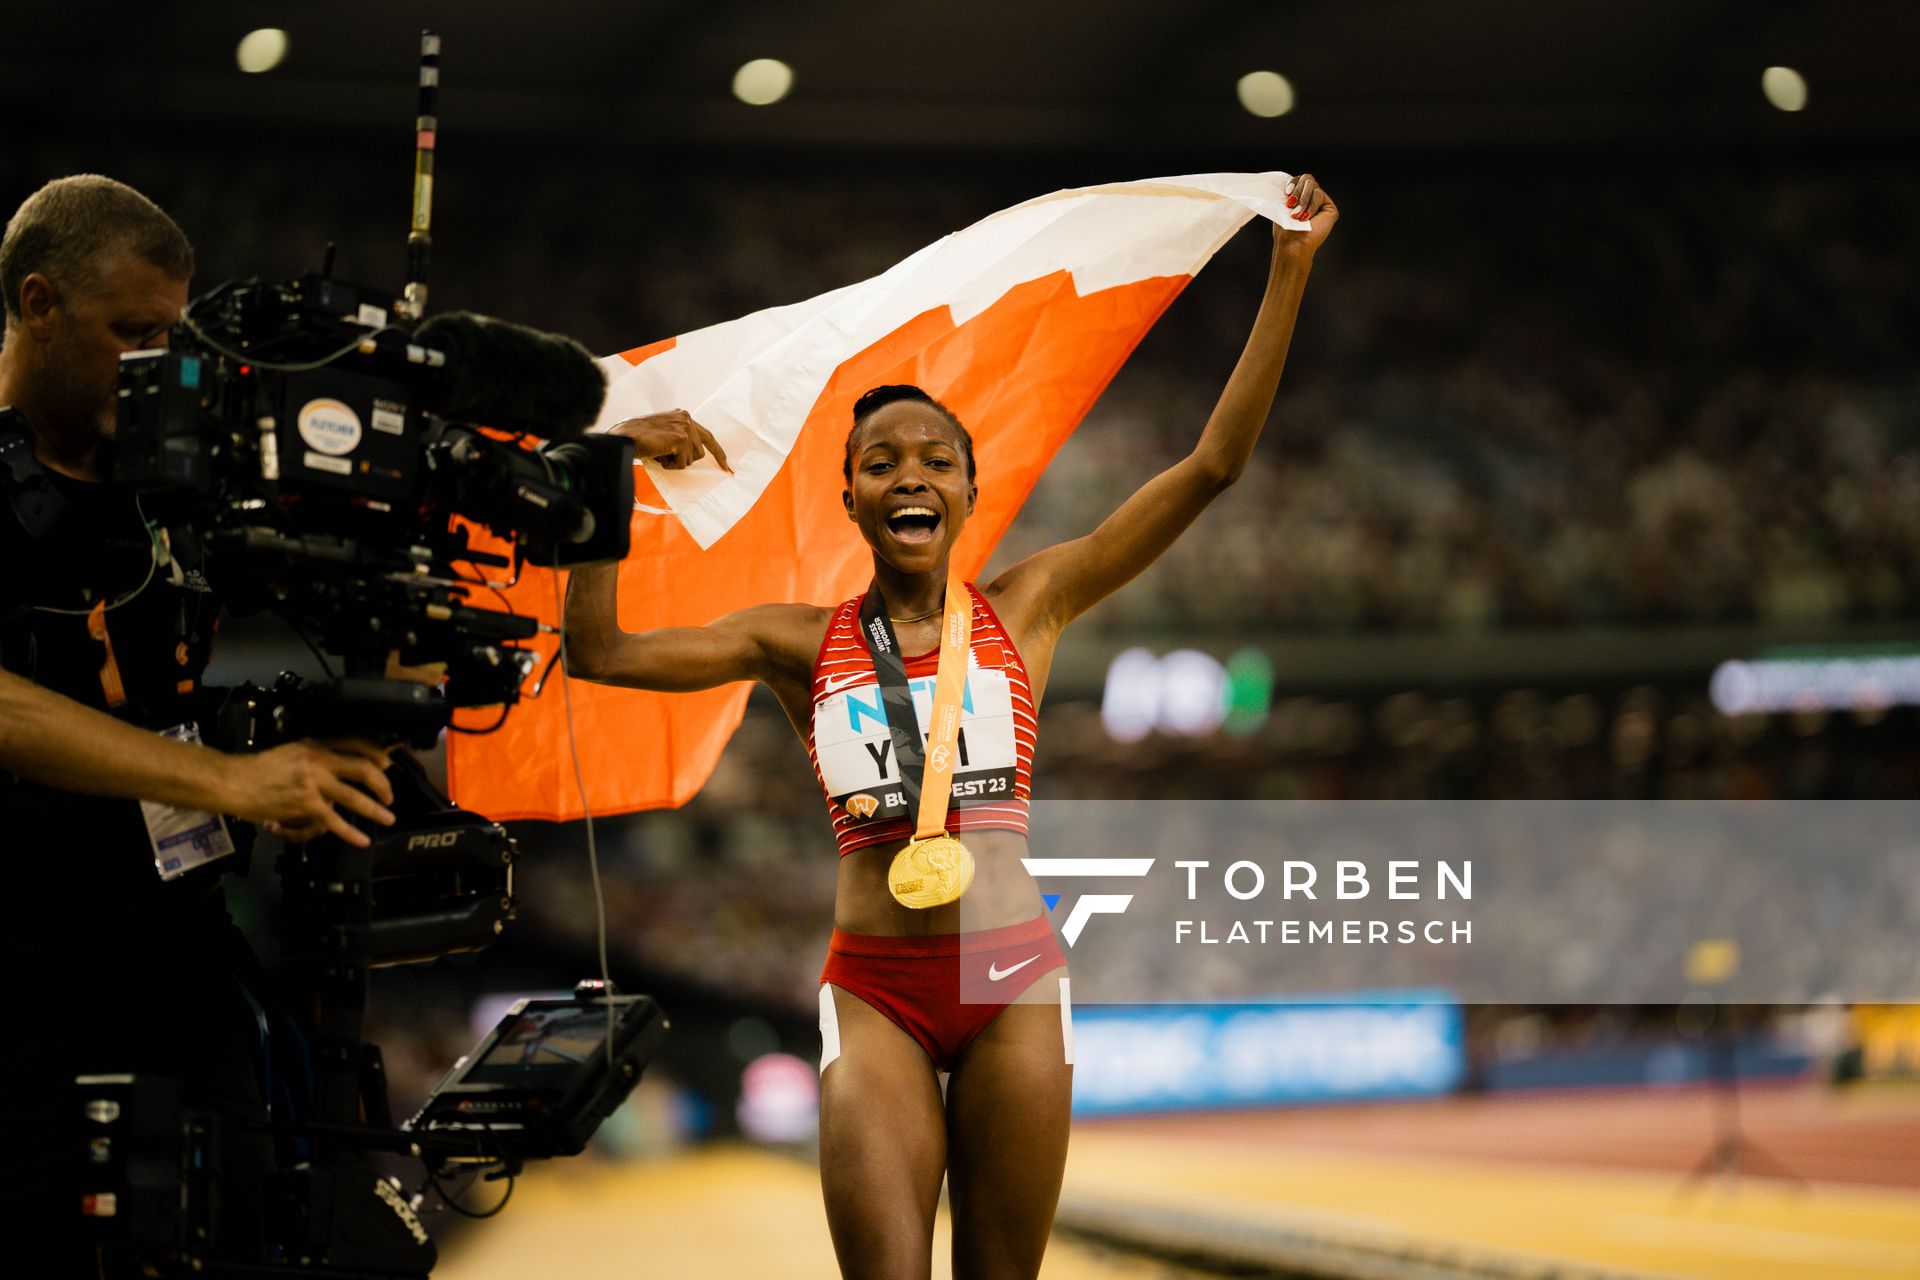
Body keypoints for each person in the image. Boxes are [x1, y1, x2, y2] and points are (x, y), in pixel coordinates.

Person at [565, 173, 1337, 1279]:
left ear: (971, 492)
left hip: (1012, 983)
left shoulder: (1035, 603)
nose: (910, 474)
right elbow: (603, 653)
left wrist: (1289, 269)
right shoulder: (795, 640)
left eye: (935, 460)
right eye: (882, 462)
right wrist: (605, 473)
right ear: (853, 502)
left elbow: (1213, 466)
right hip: (874, 987)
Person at [0, 175, 399, 1262]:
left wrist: (578, 458)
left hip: (181, 955)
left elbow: (382, 563)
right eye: (132, 332)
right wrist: (225, 782)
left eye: (172, 334)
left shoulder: (186, 483)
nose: (159, 363)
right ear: (39, 305)